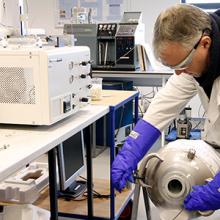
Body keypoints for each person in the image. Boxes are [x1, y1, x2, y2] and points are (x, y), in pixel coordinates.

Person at [111, 4, 220, 212]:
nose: (179, 73)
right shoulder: (195, 59)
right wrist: (130, 152)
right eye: (173, 68)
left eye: (183, 64)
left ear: (205, 43)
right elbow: (161, 108)